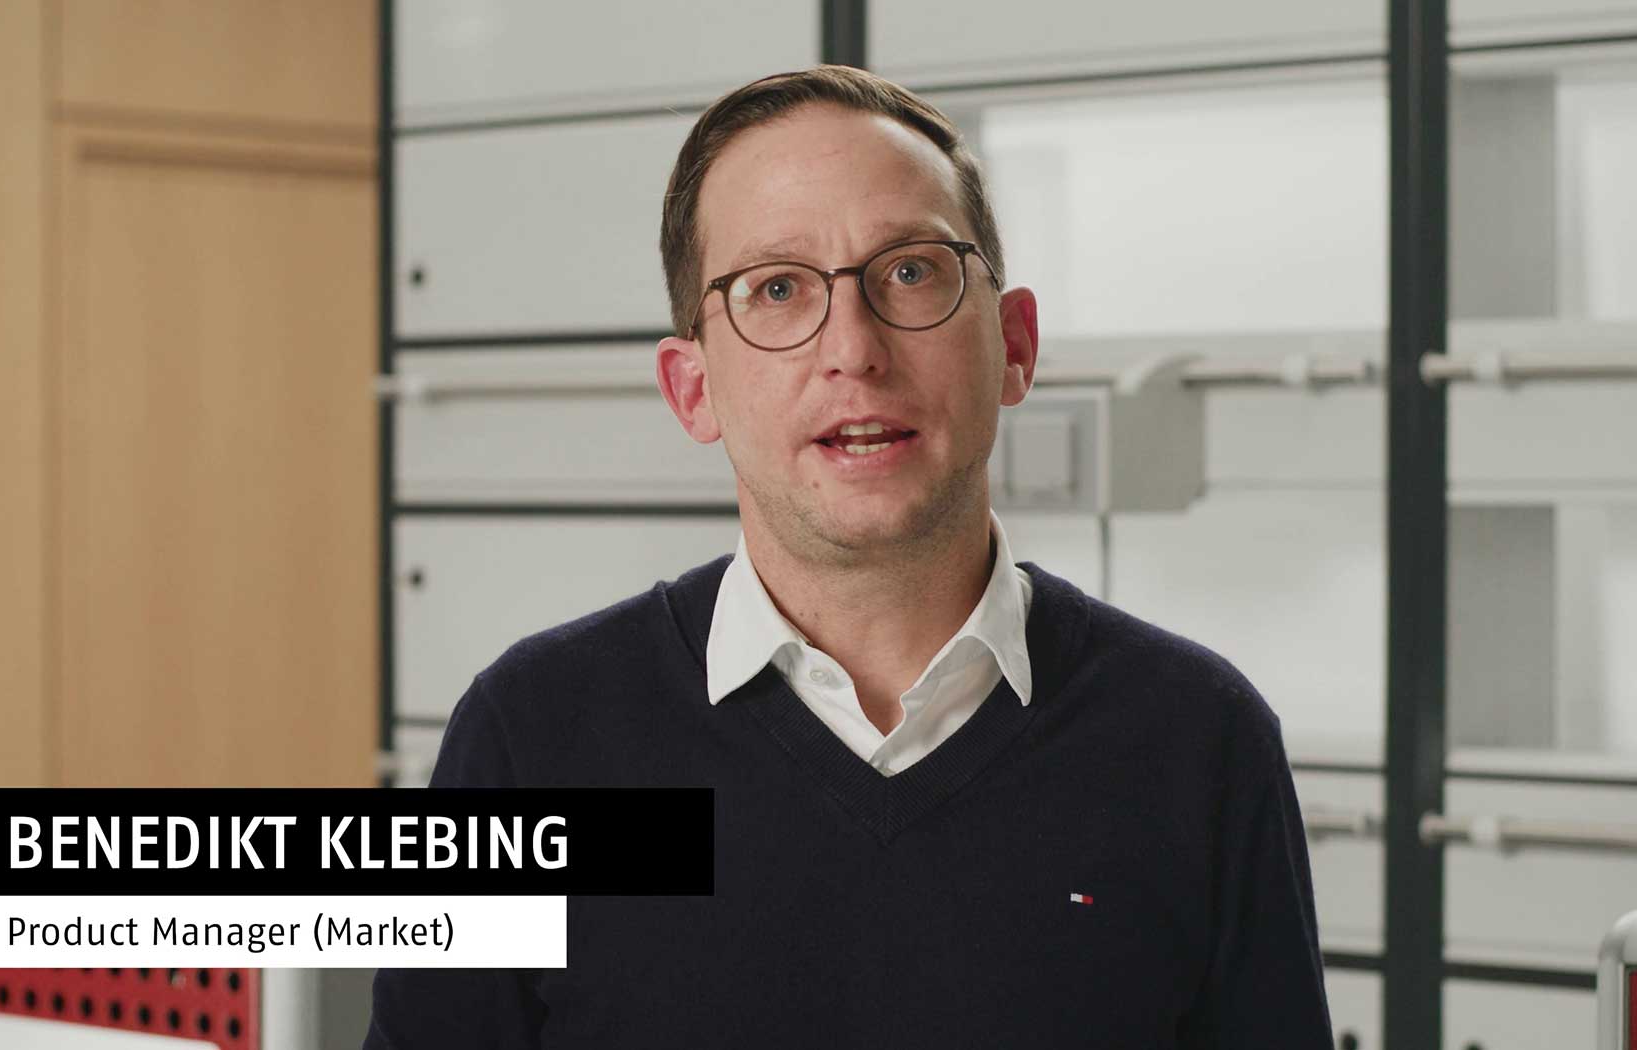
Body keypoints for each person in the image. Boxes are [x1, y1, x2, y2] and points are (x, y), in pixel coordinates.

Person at [366, 65, 1333, 1049]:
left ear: (1014, 345)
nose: (855, 349)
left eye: (911, 271)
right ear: (692, 388)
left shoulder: (1198, 741)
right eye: (777, 289)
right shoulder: (534, 741)